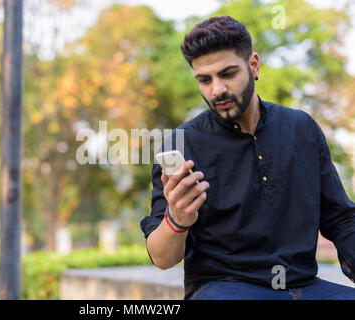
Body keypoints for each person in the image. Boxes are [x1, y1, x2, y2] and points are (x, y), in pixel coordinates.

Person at [140, 16, 355, 300]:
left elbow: (340, 219)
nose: (216, 90)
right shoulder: (183, 144)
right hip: (225, 288)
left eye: (227, 74)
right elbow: (162, 258)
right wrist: (177, 219)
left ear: (253, 65)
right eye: (205, 80)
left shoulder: (301, 128)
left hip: (303, 287)